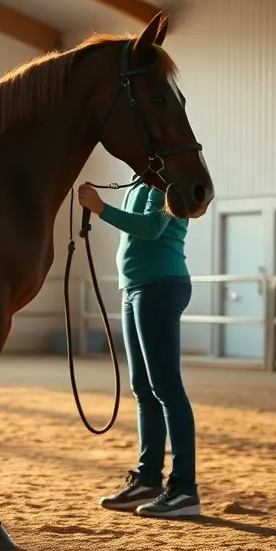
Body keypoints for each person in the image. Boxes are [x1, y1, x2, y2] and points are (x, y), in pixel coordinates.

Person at [76, 181, 200, 518]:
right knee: (143, 388)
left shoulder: (164, 180)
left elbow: (151, 227)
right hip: (136, 287)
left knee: (166, 387)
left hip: (159, 284)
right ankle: (148, 479)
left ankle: (184, 488)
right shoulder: (138, 182)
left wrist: (101, 208)